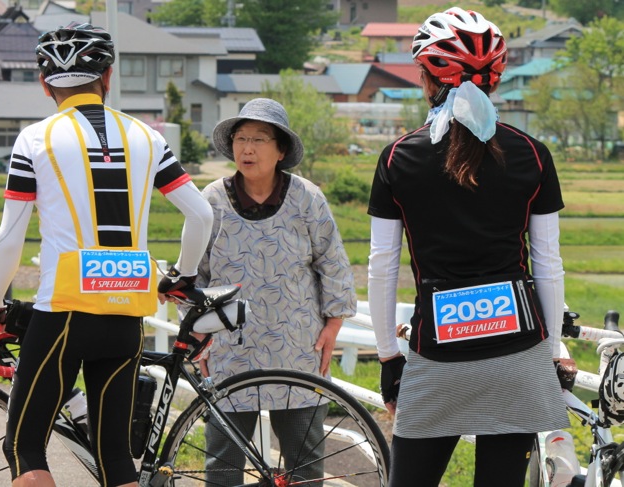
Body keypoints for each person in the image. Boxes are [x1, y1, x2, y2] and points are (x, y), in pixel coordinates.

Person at [0, 22, 213, 487]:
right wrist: (180, 278)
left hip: (63, 311)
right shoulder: (148, 137)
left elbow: (8, 238)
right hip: (127, 309)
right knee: (116, 459)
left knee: (24, 448)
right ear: (108, 77)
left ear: (45, 85)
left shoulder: (35, 140)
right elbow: (201, 215)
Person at [367, 8, 576, 487]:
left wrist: (387, 357)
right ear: (495, 79)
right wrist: (551, 350)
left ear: (427, 76)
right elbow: (547, 264)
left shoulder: (400, 157)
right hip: (519, 354)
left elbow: (382, 267)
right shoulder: (532, 153)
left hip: (433, 355)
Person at [195, 98, 357, 485]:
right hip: (231, 347)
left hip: (298, 346)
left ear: (281, 149)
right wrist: (200, 334)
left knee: (304, 463)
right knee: (223, 463)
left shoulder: (308, 199)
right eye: (240, 138)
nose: (247, 149)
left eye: (259, 139)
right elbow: (197, 276)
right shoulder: (212, 200)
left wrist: (332, 328)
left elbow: (332, 264)